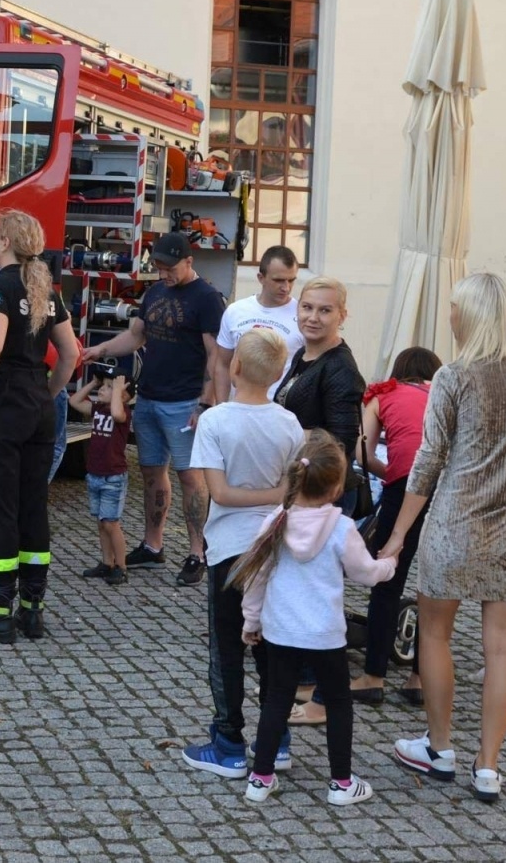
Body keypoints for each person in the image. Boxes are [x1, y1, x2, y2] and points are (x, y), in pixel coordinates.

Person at [382, 272, 506, 803]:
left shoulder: (454, 376)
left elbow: (429, 459)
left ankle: (439, 750)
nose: (450, 315)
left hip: (453, 526)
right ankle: (488, 766)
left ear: (471, 314)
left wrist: (397, 534)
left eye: (455, 306)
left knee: (436, 636)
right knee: (503, 649)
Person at [232, 430, 397, 806]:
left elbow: (255, 576)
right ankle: (341, 783)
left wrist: (251, 621)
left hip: (280, 629)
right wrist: (389, 564)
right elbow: (366, 573)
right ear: (337, 487)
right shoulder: (342, 528)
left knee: (276, 701)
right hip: (325, 633)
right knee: (338, 702)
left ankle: (260, 778)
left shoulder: (276, 521)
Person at [0, 209, 79, 643]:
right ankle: (31, 609)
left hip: (2, 405)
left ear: (3, 241)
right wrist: (50, 392)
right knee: (31, 506)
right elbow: (71, 353)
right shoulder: (47, 291)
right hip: (37, 405)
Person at [181, 328, 305, 779]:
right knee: (272, 644)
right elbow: (290, 491)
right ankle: (277, 739)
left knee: (227, 647)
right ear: (277, 374)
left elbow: (220, 493)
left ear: (234, 367)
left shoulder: (215, 421)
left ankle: (228, 741)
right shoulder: (288, 422)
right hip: (275, 545)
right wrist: (276, 494)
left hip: (231, 549)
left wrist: (265, 494)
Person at [81, 231, 224, 586]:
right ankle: (153, 545)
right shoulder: (156, 292)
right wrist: (101, 350)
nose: (163, 275)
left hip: (185, 401)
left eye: (170, 268)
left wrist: (206, 402)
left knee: (191, 477)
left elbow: (215, 355)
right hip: (149, 398)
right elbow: (136, 336)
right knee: (150, 472)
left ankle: (197, 553)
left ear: (189, 261)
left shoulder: (207, 298)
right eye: (159, 268)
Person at [274, 276, 366, 727]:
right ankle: (302, 676)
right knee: (298, 587)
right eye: (307, 307)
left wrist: (318, 501)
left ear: (342, 316)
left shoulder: (341, 370)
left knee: (317, 591)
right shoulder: (302, 355)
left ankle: (316, 688)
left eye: (324, 310)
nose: (313, 316)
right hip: (299, 490)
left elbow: (342, 444)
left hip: (323, 495)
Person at [349, 346, 442, 705]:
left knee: (388, 580)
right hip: (448, 487)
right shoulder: (444, 392)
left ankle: (373, 676)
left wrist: (392, 476)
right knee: (434, 585)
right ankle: (420, 678)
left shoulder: (383, 394)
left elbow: (362, 454)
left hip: (404, 484)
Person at [210, 245, 302, 406]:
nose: (286, 287)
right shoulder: (235, 312)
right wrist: (222, 408)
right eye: (278, 280)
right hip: (238, 410)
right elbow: (223, 365)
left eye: (291, 280)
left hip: (282, 414)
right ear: (261, 277)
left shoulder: (303, 316)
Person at [69, 367, 134, 585]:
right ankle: (107, 563)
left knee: (111, 523)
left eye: (109, 387)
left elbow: (117, 413)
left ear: (124, 395)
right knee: (101, 522)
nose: (103, 390)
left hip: (113, 477)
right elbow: (75, 402)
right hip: (95, 474)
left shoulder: (123, 412)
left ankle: (121, 566)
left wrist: (117, 391)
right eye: (103, 386)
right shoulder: (97, 408)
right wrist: (93, 384)